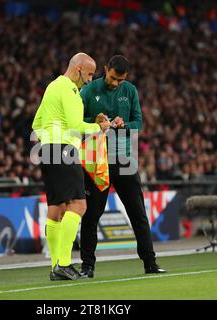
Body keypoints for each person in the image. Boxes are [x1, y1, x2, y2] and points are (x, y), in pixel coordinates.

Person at [79, 55, 166, 277]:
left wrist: (124, 124)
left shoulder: (130, 91)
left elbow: (139, 123)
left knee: (138, 214)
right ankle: (87, 266)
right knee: (91, 216)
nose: (116, 83)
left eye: (120, 80)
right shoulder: (89, 90)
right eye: (113, 78)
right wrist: (94, 122)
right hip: (97, 161)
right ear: (105, 69)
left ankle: (150, 262)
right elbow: (76, 123)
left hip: (124, 160)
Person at [32, 53, 110, 280]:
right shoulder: (70, 89)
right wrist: (100, 127)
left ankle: (56, 266)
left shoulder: (52, 87)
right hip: (64, 150)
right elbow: (76, 125)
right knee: (78, 205)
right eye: (88, 74)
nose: (89, 80)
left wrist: (50, 139)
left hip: (47, 150)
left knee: (57, 207)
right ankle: (64, 263)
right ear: (77, 69)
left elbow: (36, 123)